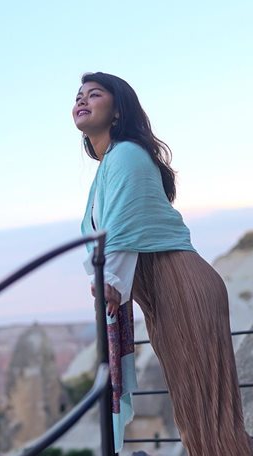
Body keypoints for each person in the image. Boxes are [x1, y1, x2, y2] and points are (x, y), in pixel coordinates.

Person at [74, 71, 251, 455]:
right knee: (196, 412)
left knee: (207, 413)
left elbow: (119, 228)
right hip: (163, 294)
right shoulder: (110, 165)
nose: (81, 100)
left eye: (95, 93)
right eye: (78, 96)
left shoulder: (126, 155)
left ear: (119, 110)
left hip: (181, 286)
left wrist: (112, 282)